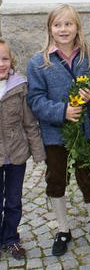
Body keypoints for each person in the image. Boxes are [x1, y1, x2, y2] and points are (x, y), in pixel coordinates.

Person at [26, 4, 90, 256]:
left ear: (77, 27)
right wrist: (62, 111)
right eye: (58, 24)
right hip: (55, 137)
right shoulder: (39, 62)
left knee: (89, 179)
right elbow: (35, 100)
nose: (63, 29)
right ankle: (63, 229)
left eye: (69, 24)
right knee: (56, 180)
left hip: (84, 135)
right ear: (50, 29)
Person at [0, 38, 46, 260]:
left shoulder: (19, 87)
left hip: (16, 155)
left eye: (4, 58)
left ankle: (11, 238)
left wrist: (37, 152)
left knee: (14, 200)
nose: (1, 63)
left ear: (11, 60)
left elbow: (29, 122)